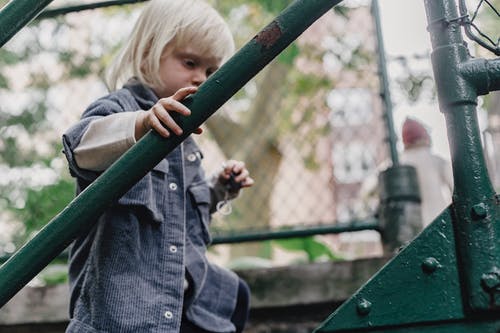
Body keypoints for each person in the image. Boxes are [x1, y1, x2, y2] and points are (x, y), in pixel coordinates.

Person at [61, 1, 254, 332]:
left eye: (211, 72)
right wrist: (139, 125)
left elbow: (181, 215)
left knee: (234, 296)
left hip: (178, 304)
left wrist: (220, 188)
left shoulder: (187, 142)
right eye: (190, 62)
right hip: (122, 309)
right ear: (150, 51)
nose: (200, 79)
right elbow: (80, 147)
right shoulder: (120, 108)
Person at [399, 117, 453, 227]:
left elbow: (369, 189)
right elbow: (455, 187)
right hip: (439, 220)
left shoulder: (399, 163)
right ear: (424, 136)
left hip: (411, 226)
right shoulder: (436, 160)